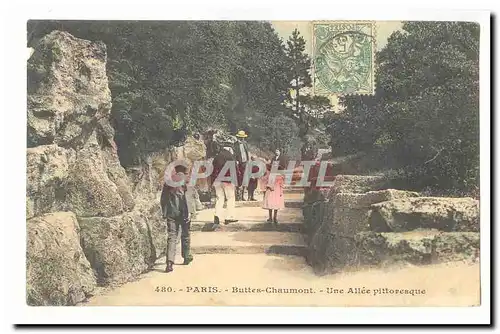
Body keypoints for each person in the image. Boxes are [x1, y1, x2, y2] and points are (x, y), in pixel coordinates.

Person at [160, 165, 193, 273]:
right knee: (185, 234)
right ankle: (186, 256)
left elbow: (163, 198)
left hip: (171, 212)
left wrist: (164, 212)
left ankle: (169, 262)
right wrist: (190, 213)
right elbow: (188, 198)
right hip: (183, 212)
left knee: (172, 236)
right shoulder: (187, 181)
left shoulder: (169, 181)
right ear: (184, 172)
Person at [211, 145, 238, 230]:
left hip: (218, 181)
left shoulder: (217, 157)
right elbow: (235, 170)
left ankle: (217, 217)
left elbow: (212, 170)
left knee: (219, 199)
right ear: (229, 149)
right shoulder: (230, 156)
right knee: (230, 198)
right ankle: (228, 217)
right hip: (228, 181)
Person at [261, 161, 285, 226]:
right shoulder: (269, 175)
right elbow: (265, 181)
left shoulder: (280, 176)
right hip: (271, 191)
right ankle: (270, 217)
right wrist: (267, 187)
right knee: (270, 204)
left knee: (276, 204)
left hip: (276, 191)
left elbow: (281, 185)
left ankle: (275, 217)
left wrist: (281, 192)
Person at [234, 130, 250, 201]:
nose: (242, 139)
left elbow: (247, 152)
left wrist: (248, 160)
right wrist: (236, 161)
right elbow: (234, 154)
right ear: (239, 137)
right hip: (239, 163)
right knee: (238, 178)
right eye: (241, 137)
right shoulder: (235, 144)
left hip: (245, 162)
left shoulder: (245, 143)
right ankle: (238, 195)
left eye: (243, 137)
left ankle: (242, 195)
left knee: (244, 179)